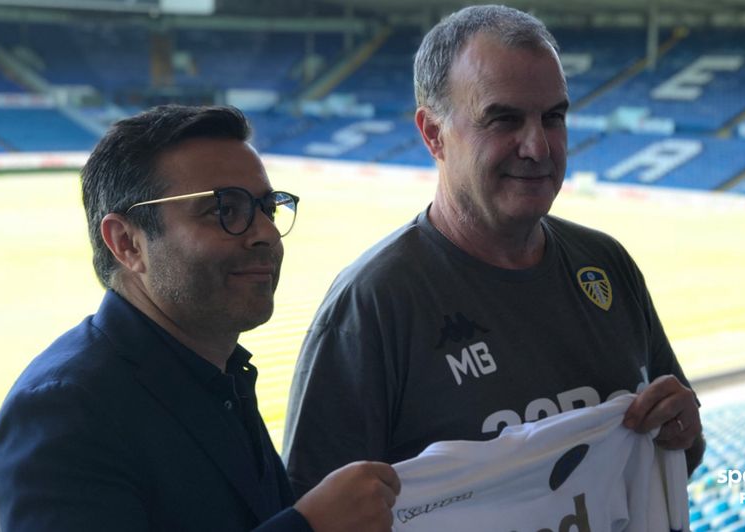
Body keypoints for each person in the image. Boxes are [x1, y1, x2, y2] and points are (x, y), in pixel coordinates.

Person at [283, 5, 704, 499]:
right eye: (503, 119)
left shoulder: (606, 264)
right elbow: (317, 515)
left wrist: (684, 429)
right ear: (434, 134)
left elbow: (677, 450)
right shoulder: (373, 304)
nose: (538, 147)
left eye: (553, 118)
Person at [0, 105, 400, 532]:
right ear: (127, 243)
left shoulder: (219, 374)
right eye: (224, 210)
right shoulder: (63, 415)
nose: (267, 234)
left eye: (266, 208)